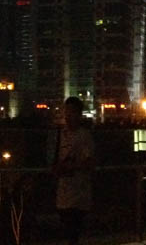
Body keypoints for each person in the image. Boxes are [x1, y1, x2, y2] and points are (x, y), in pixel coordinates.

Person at [53, 97, 95, 245]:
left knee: (73, 233)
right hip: (63, 193)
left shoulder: (84, 136)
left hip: (79, 194)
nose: (68, 116)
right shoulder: (59, 135)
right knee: (68, 232)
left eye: (72, 112)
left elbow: (89, 162)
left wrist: (72, 166)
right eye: (67, 112)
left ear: (79, 114)